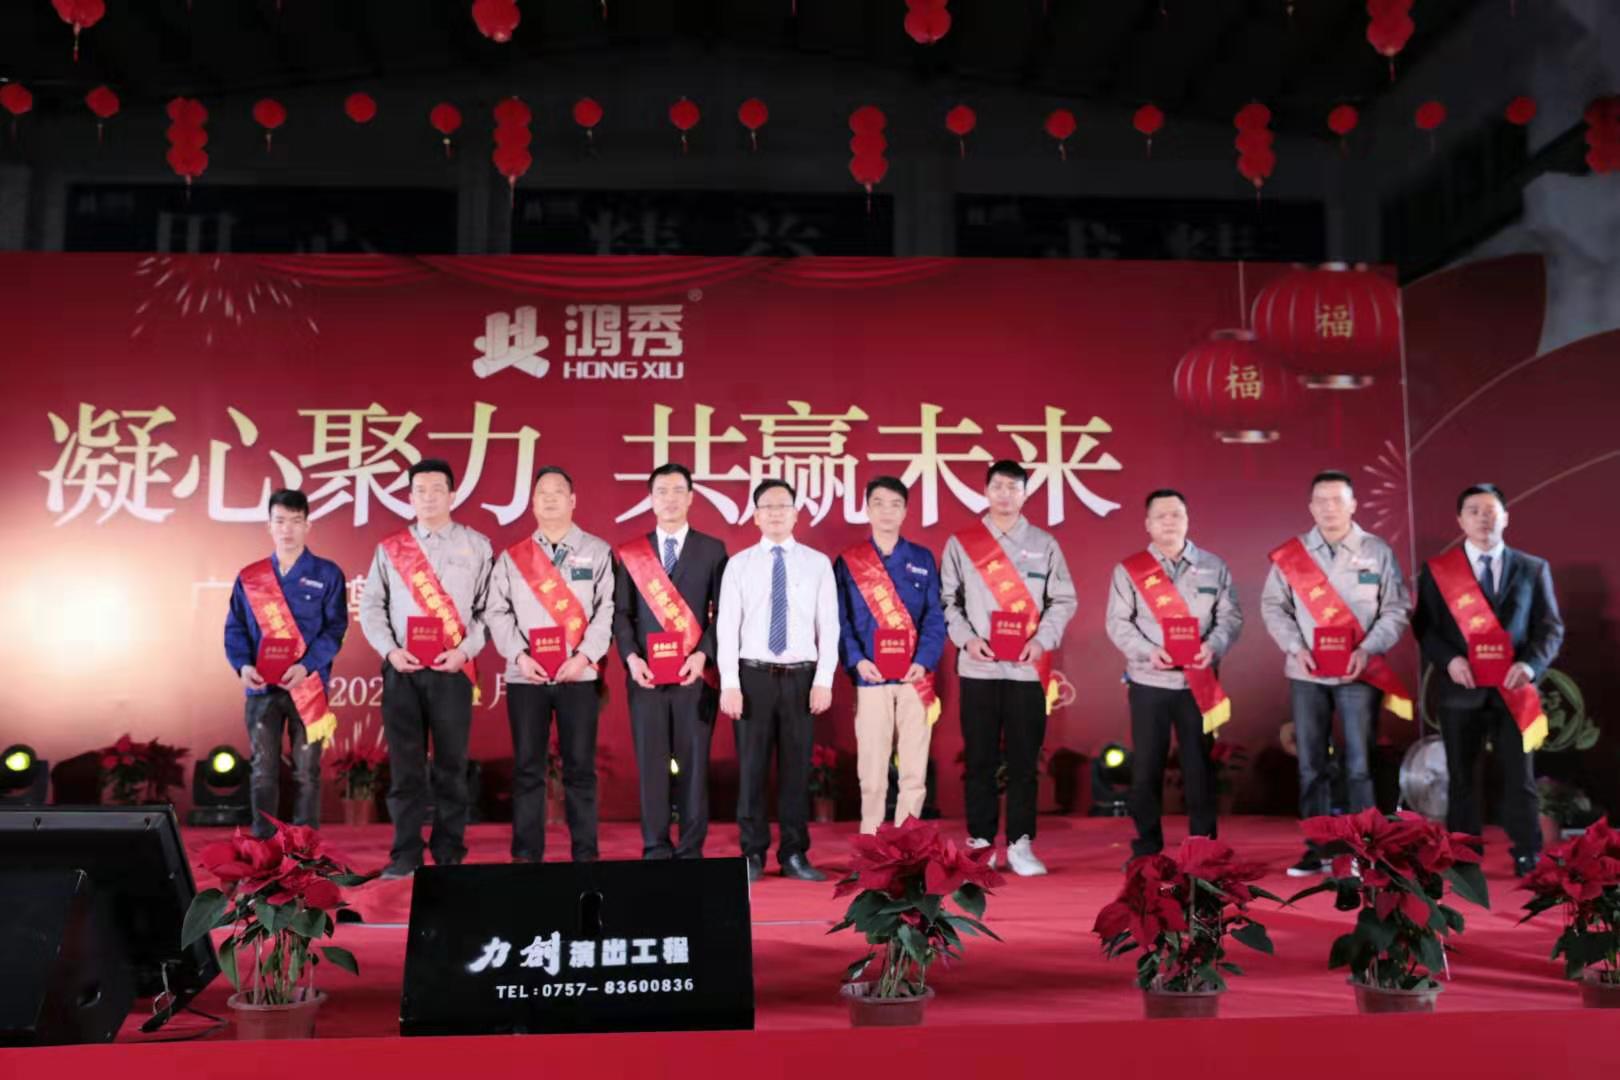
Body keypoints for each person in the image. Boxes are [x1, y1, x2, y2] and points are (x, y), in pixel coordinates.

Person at [1261, 469, 1412, 877]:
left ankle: (1365, 849)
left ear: (1353, 505)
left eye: (1338, 500)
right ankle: (1319, 848)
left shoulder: (1376, 551)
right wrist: (1296, 647)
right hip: (1306, 672)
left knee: (1360, 764)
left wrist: (1368, 649)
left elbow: (1396, 608)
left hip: (1359, 672)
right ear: (1311, 507)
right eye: (1322, 501)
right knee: (1311, 765)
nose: (1329, 508)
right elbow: (1274, 607)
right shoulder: (1292, 555)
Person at [1413, 483, 1564, 876]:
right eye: (1474, 511)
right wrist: (1449, 661)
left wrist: (1530, 666)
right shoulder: (1438, 571)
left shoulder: (1533, 568)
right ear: (1460, 520)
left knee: (1520, 776)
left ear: (1506, 518)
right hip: (1460, 691)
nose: (1484, 518)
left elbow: (1550, 628)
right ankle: (1463, 852)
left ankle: (1527, 851)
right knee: (1461, 776)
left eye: (1491, 511)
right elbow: (1425, 628)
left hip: (1514, 690)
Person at [358, 458, 493, 879]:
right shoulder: (390, 548)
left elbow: (488, 610)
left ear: (453, 495)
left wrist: (465, 651)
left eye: (437, 489)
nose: (429, 497)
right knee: (406, 768)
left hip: (453, 671)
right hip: (403, 670)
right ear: (410, 497)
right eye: (420, 490)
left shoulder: (477, 545)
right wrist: (390, 651)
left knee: (452, 766)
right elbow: (371, 606)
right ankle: (406, 854)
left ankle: (450, 853)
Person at [941, 459, 1077, 876]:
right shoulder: (962, 543)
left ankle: (1021, 843)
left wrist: (1041, 641)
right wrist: (968, 639)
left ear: (1025, 494)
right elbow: (948, 601)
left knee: (1023, 762)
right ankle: (981, 843)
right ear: (986, 491)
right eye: (997, 486)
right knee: (979, 760)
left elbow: (1063, 600)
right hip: (978, 669)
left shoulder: (1044, 543)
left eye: (1013, 487)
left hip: (1026, 671)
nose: (1004, 494)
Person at [1105, 488, 1242, 861]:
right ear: (1147, 524)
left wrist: (1213, 646)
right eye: (1161, 516)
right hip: (1148, 681)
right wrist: (1149, 652)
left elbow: (1231, 617)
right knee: (1146, 766)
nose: (1169, 521)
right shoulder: (1129, 570)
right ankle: (1147, 848)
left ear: (1187, 519)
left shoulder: (1214, 566)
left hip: (1198, 682)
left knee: (1199, 766)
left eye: (1176, 514)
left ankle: (1204, 847)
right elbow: (1118, 624)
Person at [487, 466, 615, 864]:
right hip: (526, 677)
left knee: (580, 770)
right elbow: (496, 611)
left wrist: (584, 657)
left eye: (558, 492)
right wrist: (519, 656)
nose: (550, 499)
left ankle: (585, 857)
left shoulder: (597, 551)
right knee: (528, 769)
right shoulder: (513, 557)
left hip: (580, 676)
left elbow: (607, 610)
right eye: (542, 493)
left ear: (573, 500)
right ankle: (526, 857)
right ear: (532, 503)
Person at [717, 479, 839, 882]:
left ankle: (794, 853)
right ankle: (751, 853)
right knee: (752, 770)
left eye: (782, 506)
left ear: (795, 514)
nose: (774, 513)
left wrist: (824, 679)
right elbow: (727, 627)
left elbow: (829, 625)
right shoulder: (739, 565)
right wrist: (730, 683)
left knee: (796, 770)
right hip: (753, 676)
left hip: (801, 678)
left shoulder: (817, 563)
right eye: (766, 507)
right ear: (755, 516)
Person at [612, 463, 728, 859]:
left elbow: (723, 613)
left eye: (678, 490)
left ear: (691, 497)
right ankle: (656, 847)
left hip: (695, 678)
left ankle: (692, 849)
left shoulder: (712, 550)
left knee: (694, 767)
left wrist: (703, 655)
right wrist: (631, 658)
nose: (670, 499)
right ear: (651, 499)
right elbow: (622, 614)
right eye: (662, 491)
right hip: (645, 677)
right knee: (652, 766)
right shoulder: (632, 553)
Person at [224, 489, 347, 838]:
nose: (287, 529)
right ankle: (263, 842)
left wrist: (306, 666)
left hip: (308, 687)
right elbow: (235, 627)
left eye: (295, 521)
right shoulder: (250, 577)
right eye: (280, 521)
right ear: (269, 526)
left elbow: (335, 629)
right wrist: (243, 666)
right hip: (262, 689)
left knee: (307, 772)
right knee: (263, 770)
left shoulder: (327, 573)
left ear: (308, 525)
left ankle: (305, 845)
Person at [833, 476, 947, 834]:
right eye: (878, 503)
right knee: (872, 767)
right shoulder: (849, 561)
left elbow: (935, 616)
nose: (887, 511)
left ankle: (908, 836)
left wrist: (923, 661)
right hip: (871, 678)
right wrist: (857, 661)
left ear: (905, 511)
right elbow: (840, 620)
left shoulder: (922, 559)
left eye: (895, 504)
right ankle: (871, 836)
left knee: (914, 767)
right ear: (867, 509)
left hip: (915, 678)